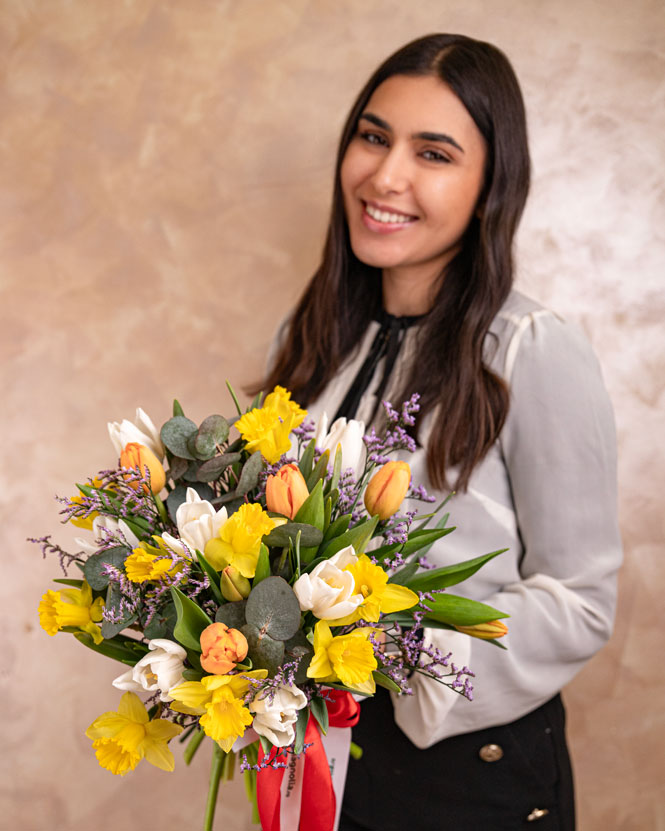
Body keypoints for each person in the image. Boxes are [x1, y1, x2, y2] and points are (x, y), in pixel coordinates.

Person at [257, 33, 622, 830]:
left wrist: (396, 648)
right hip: (320, 758)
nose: (385, 176)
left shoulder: (529, 349)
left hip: (468, 778)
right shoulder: (313, 335)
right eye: (373, 136)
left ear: (491, 185)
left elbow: (581, 598)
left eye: (434, 153)